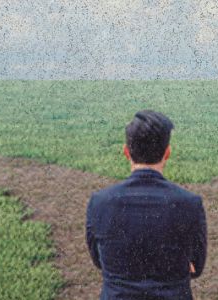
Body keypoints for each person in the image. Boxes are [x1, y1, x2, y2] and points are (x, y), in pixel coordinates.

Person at [85, 110, 208, 299]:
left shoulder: (100, 203)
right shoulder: (189, 204)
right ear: (167, 152)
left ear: (126, 151)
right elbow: (196, 267)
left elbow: (99, 261)